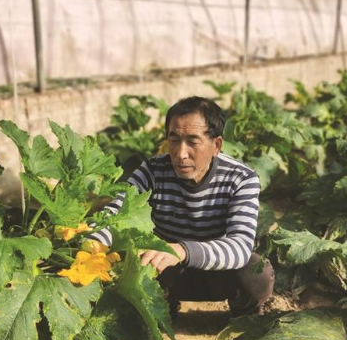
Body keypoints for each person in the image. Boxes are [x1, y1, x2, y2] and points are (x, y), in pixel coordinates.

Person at [90, 96, 274, 316]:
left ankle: (243, 316)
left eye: (192, 142)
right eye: (174, 140)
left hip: (217, 273)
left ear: (216, 145)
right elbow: (115, 215)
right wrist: (91, 246)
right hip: (164, 272)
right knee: (122, 256)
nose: (180, 153)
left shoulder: (241, 178)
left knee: (256, 273)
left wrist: (182, 250)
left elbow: (240, 246)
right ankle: (162, 305)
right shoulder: (152, 171)